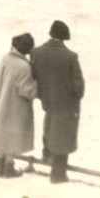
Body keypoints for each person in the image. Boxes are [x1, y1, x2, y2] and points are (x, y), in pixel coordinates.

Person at [30, 20, 85, 184]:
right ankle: (58, 174)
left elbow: (34, 76)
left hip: (47, 100)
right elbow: (78, 85)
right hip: (66, 103)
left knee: (49, 124)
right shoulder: (71, 56)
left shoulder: (36, 52)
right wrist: (77, 97)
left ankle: (46, 154)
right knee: (63, 134)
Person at [0, 33, 38, 178]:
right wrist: (37, 85)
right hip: (16, 107)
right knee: (13, 136)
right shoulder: (24, 66)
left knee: (2, 134)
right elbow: (27, 91)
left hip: (2, 102)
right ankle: (9, 167)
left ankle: (0, 165)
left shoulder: (6, 58)